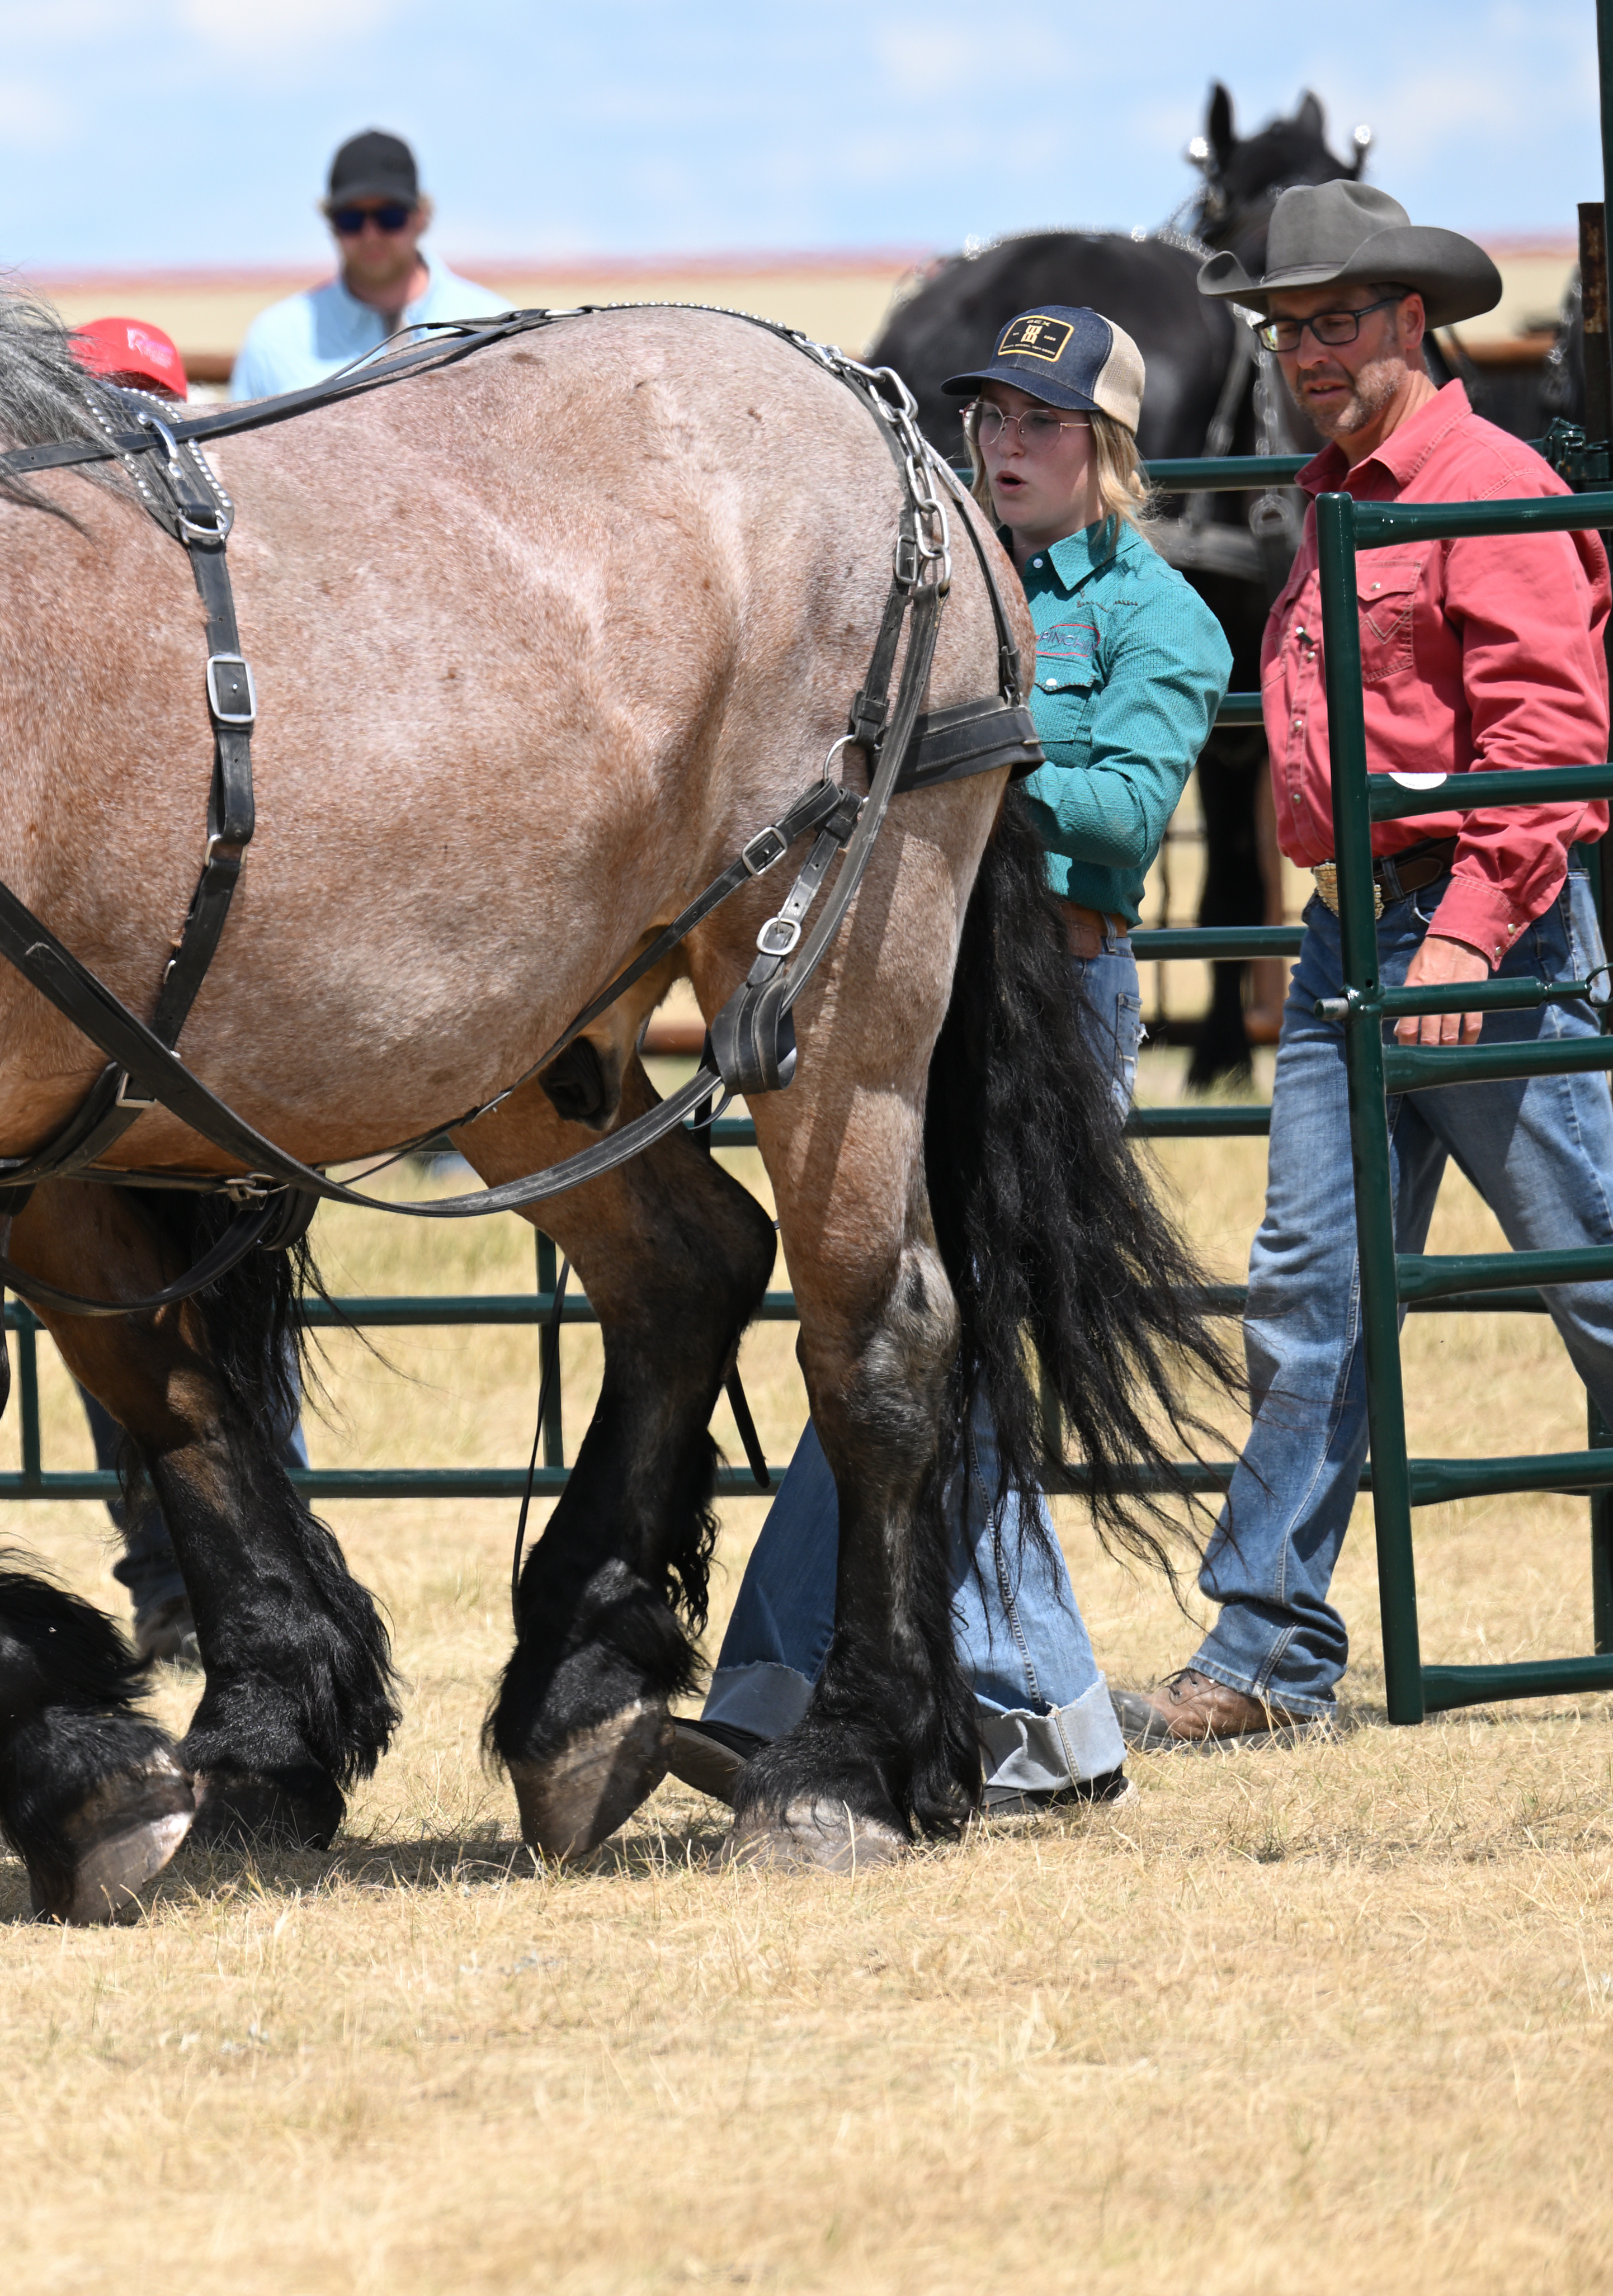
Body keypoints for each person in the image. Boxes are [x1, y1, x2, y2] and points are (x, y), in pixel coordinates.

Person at [669, 305, 1224, 1813]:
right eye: (990, 418)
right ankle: (968, 1715)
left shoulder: (1162, 622)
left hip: (1053, 1011)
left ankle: (856, 1692)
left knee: (924, 1359)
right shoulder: (931, 588)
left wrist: (980, 739)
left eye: (1043, 423)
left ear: (1110, 449)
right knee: (912, 1348)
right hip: (917, 1000)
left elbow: (1120, 818)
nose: (1008, 445)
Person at [1127, 185, 1613, 1745]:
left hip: (1489, 925)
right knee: (1310, 1287)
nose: (1307, 356)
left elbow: (1549, 743)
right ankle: (1267, 1654)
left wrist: (1476, 918)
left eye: (1337, 321)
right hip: (1360, 933)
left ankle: (1268, 1647)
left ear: (1414, 318)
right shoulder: (1339, 497)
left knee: (1593, 1267)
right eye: (1287, 330)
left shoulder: (1491, 486)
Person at [230, 130, 510, 399]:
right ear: (331, 223)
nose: (371, 234)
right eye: (351, 219)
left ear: (420, 217)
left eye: (390, 217)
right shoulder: (275, 342)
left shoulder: (495, 327)